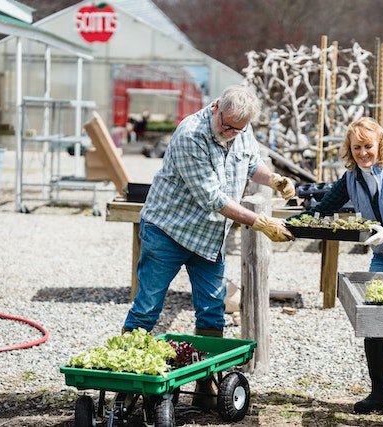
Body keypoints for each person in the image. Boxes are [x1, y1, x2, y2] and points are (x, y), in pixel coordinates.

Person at [121, 85, 295, 406]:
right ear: (215, 107)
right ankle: (128, 384)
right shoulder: (190, 135)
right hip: (168, 230)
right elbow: (212, 198)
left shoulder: (241, 127)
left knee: (213, 311)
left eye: (237, 129)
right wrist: (260, 222)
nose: (230, 133)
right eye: (226, 125)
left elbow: (252, 162)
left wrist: (274, 180)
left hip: (208, 236)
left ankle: (205, 386)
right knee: (147, 307)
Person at [298, 117, 383, 413]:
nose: (363, 153)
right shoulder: (350, 178)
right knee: (373, 321)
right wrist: (293, 225)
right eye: (357, 147)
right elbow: (324, 209)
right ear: (350, 149)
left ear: (380, 144)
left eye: (368, 146)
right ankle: (379, 395)